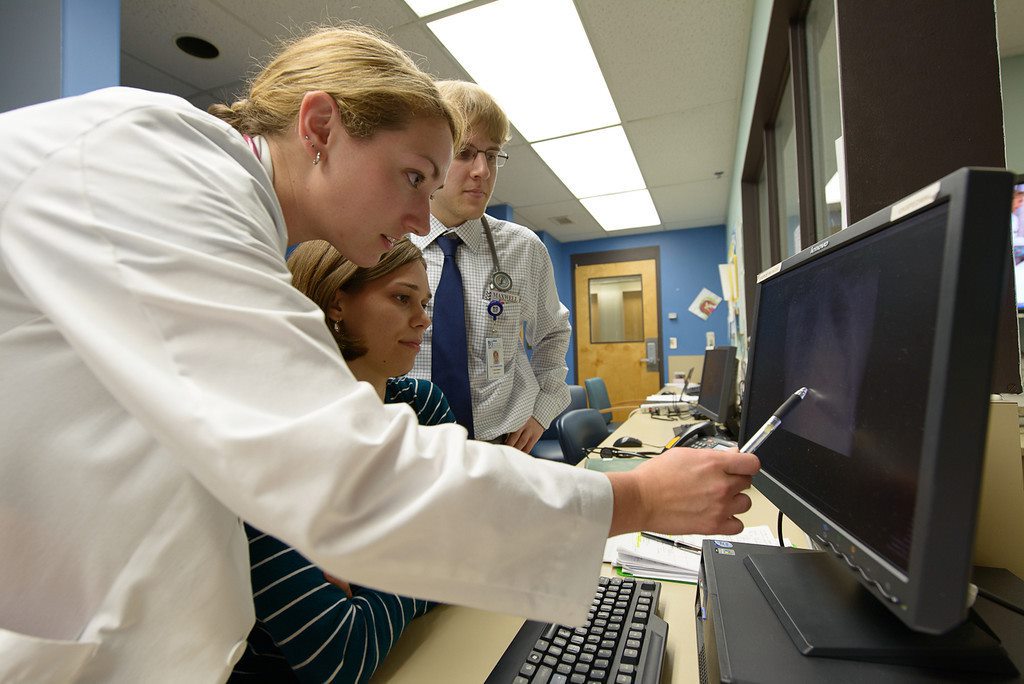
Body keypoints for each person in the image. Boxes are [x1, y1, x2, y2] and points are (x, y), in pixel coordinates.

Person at [0, 23, 759, 682]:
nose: (419, 214)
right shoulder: (151, 163)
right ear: (321, 127)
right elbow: (343, 467)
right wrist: (640, 500)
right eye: (412, 176)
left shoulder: (233, 220)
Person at [232, 238, 450, 683]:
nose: (423, 319)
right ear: (337, 302)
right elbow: (340, 652)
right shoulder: (273, 436)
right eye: (402, 298)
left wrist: (374, 575)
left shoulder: (424, 406)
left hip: (421, 649)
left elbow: (480, 543)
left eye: (425, 303)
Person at [409, 81, 571, 454]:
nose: (482, 170)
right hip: (411, 450)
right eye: (465, 153)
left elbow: (553, 333)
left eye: (493, 155)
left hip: (502, 447)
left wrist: (542, 411)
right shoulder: (386, 244)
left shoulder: (523, 248)